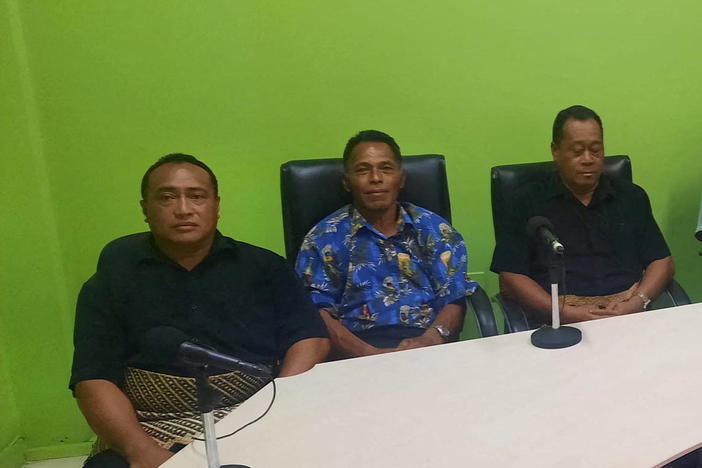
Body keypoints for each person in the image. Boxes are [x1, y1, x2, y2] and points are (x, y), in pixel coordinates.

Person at [70, 153, 330, 468]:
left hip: (252, 412)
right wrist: (141, 451)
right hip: (147, 427)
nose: (183, 209)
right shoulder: (110, 281)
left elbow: (309, 339)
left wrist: (279, 405)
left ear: (216, 206)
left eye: (197, 196)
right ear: (145, 209)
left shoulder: (264, 267)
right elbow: (93, 379)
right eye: (167, 197)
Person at [295, 130, 477, 359]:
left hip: (427, 346)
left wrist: (430, 339)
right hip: (355, 352)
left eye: (386, 168)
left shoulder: (433, 229)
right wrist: (368, 354)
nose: (375, 178)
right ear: (347, 181)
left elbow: (453, 297)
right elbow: (317, 312)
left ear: (401, 179)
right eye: (363, 170)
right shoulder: (323, 237)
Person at [491, 105, 674, 325]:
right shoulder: (525, 201)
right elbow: (511, 276)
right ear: (555, 150)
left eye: (596, 150)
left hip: (628, 314)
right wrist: (563, 312)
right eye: (577, 151)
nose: (588, 159)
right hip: (558, 320)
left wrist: (638, 302)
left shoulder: (631, 196)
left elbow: (661, 261)